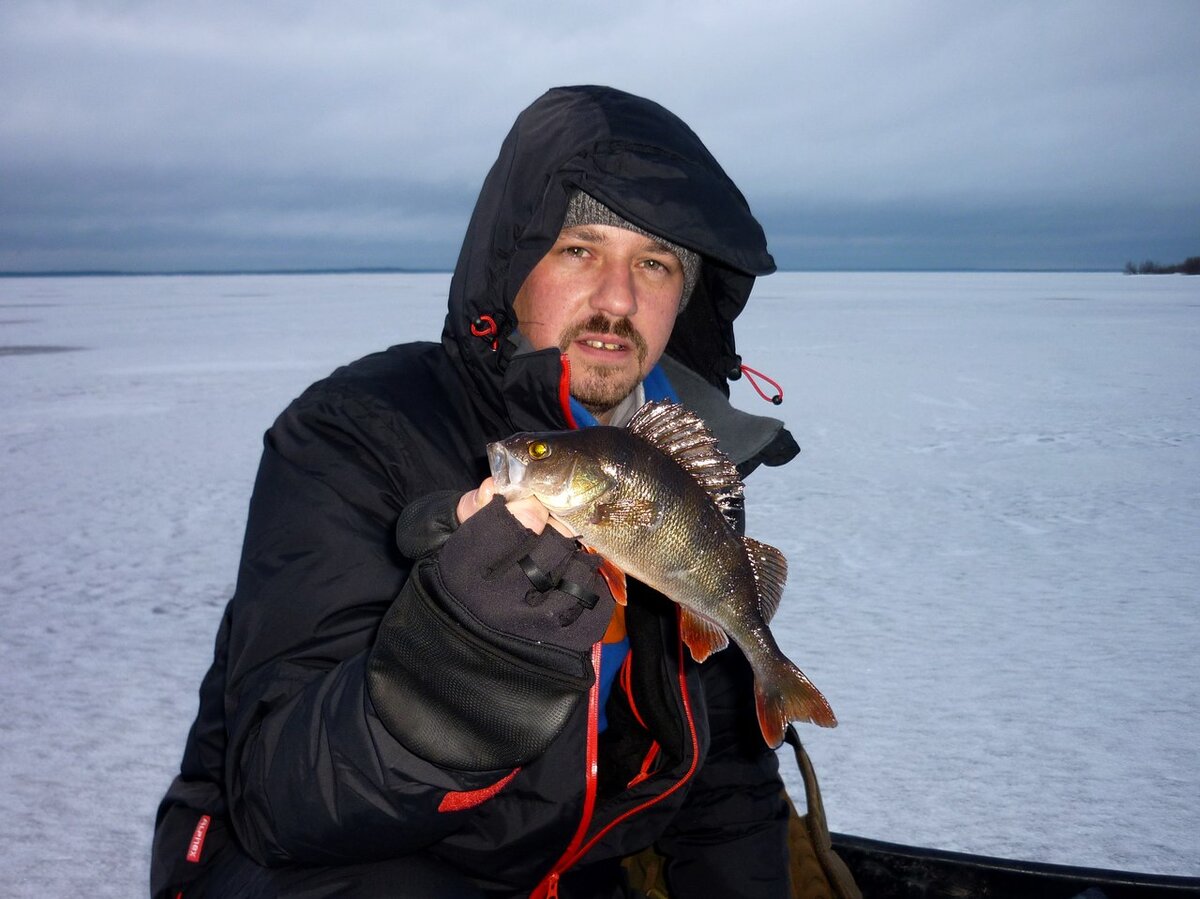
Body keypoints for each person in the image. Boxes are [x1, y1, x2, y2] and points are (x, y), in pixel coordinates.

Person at [151, 85, 804, 899]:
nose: (616, 298)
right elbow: (279, 800)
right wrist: (464, 659)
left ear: (687, 295)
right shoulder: (356, 431)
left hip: (561, 872)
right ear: (512, 260)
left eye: (655, 263)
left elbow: (726, 793)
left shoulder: (681, 470)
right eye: (578, 249)